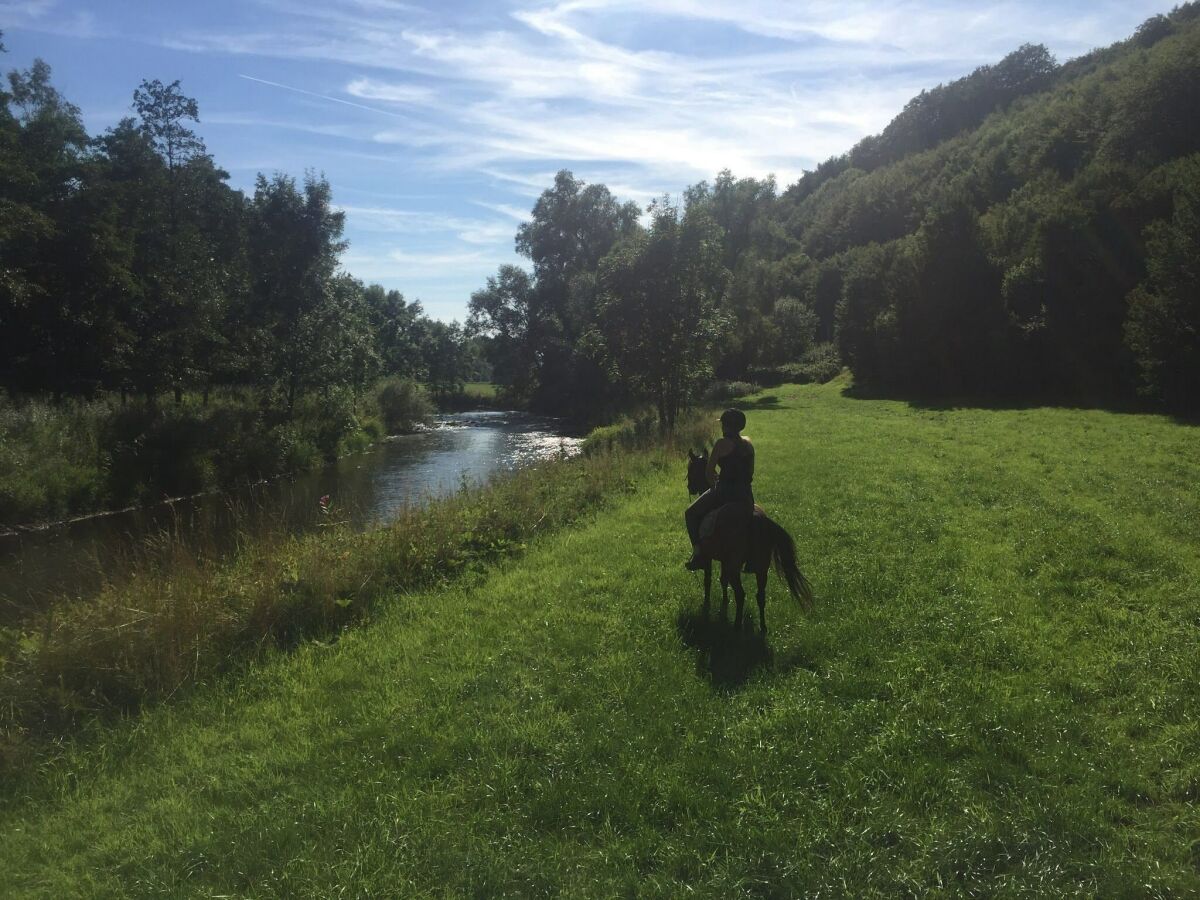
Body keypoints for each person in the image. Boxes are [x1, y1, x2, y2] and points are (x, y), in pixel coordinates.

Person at [684, 407, 755, 570]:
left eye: (723, 424)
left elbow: (709, 473)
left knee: (690, 513)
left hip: (725, 493)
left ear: (727, 426)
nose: (722, 427)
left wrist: (716, 485)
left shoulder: (721, 444)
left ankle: (699, 554)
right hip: (746, 495)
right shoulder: (748, 443)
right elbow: (750, 471)